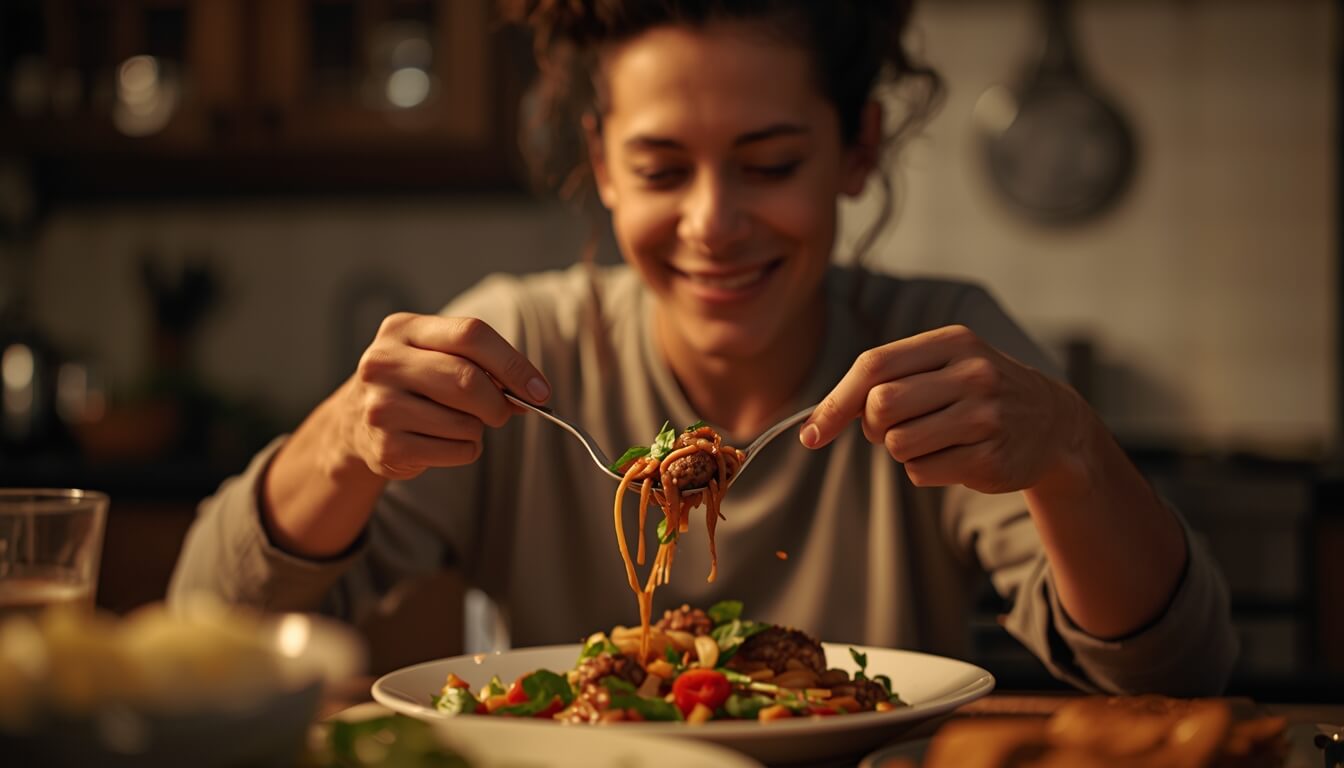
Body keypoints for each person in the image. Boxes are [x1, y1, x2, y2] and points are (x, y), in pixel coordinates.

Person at [169, 0, 1237, 696]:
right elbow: (196, 630)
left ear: (856, 151)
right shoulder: (521, 348)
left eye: (769, 164)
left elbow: (1182, 673)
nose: (713, 223)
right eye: (664, 168)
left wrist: (1072, 455)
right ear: (601, 163)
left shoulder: (936, 346)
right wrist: (336, 448)